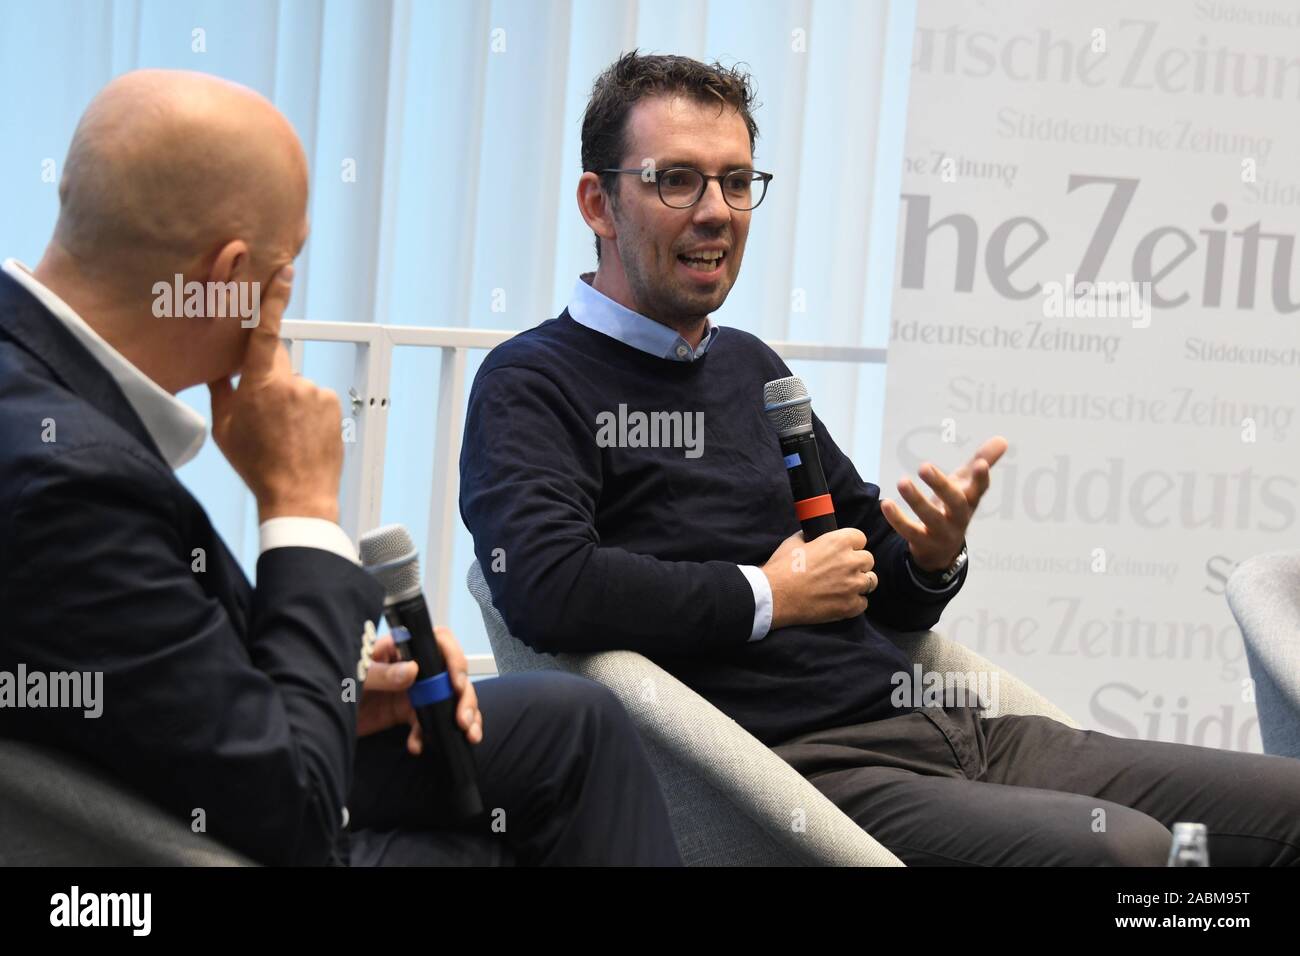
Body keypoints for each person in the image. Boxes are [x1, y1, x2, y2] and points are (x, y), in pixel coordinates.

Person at [459, 51, 1300, 866]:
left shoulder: (750, 364)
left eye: (738, 180)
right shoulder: (530, 383)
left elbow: (876, 577)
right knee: (1124, 850)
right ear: (598, 203)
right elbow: (544, 585)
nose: (716, 210)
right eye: (676, 179)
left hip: (952, 729)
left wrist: (930, 558)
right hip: (809, 771)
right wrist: (768, 596)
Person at [0, 69, 679, 867]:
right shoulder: (66, 478)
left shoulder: (40, 383)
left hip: (174, 761)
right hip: (186, 837)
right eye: (286, 267)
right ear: (229, 280)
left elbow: (144, 648)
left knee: (573, 727)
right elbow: (291, 808)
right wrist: (299, 505)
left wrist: (346, 681)